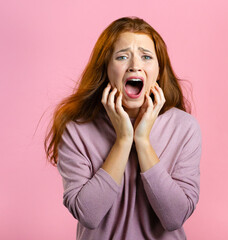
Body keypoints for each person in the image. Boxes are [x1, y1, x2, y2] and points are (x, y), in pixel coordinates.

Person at [45, 16, 202, 240]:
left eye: (146, 57)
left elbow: (175, 217)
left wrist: (143, 141)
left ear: (158, 72)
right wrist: (123, 140)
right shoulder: (77, 129)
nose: (135, 66)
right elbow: (88, 214)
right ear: (106, 69)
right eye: (122, 57)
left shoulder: (184, 128)